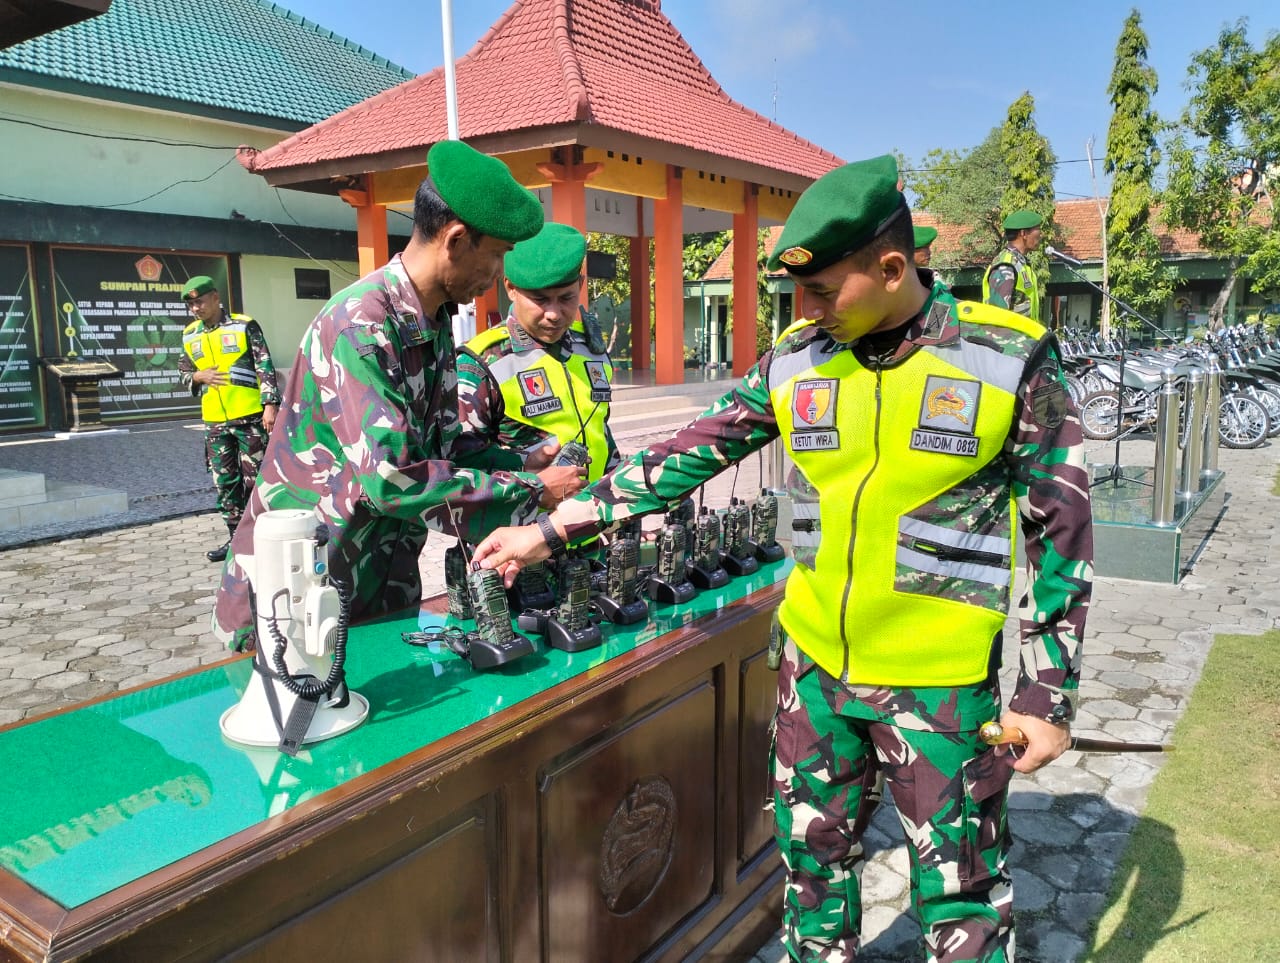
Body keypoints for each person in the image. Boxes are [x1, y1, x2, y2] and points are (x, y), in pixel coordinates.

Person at [472, 155, 1093, 962]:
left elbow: (1063, 526)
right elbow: (684, 455)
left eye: (824, 290)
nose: (805, 311)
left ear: (893, 266)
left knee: (963, 901)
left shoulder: (1007, 357)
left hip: (938, 687)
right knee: (810, 880)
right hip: (812, 675)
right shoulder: (798, 358)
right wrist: (552, 531)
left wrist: (1048, 690)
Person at [210, 139, 587, 652]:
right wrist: (531, 489)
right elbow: (393, 479)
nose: (498, 274)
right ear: (455, 240)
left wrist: (523, 460)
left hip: (378, 579)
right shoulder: (361, 327)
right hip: (298, 594)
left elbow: (445, 449)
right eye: (496, 254)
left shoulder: (432, 324)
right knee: (302, 725)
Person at [454, 222, 620, 490]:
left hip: (592, 520)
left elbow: (600, 431)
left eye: (566, 298)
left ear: (580, 284)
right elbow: (460, 459)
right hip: (521, 527)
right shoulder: (483, 363)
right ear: (510, 288)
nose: (553, 313)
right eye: (540, 300)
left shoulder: (590, 351)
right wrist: (524, 466)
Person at [177, 276, 280, 562]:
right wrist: (198, 376)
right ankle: (236, 541)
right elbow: (183, 371)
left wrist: (270, 404)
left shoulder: (244, 325)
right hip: (215, 424)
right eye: (190, 304)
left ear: (215, 297)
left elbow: (264, 364)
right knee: (225, 484)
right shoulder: (190, 335)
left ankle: (264, 538)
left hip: (249, 419)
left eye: (199, 301)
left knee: (256, 481)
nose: (195, 308)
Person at [983, 210, 1044, 321]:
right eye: (1038, 229)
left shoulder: (1021, 264)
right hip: (1008, 338)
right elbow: (998, 320)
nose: (1041, 234)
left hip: (1026, 337)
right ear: (1024, 234)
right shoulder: (1006, 267)